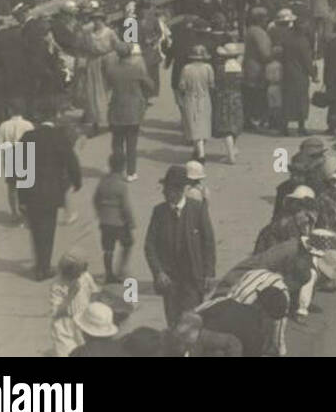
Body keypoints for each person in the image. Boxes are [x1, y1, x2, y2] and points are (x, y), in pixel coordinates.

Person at [144, 164, 216, 326]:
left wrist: (209, 272)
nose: (163, 192)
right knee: (173, 322)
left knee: (191, 322)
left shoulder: (197, 209)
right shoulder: (159, 212)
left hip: (193, 278)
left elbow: (208, 242)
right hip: (170, 281)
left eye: (167, 189)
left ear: (179, 190)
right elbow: (149, 245)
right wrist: (159, 272)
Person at [19, 115, 82, 280]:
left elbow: (19, 166)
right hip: (52, 191)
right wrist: (77, 181)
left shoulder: (28, 137)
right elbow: (71, 161)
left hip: (30, 190)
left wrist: (20, 196)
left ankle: (39, 263)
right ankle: (44, 267)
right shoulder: (59, 137)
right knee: (48, 229)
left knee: (36, 229)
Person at [106, 40, 153, 181]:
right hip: (133, 109)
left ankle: (117, 170)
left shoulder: (111, 70)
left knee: (117, 142)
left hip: (116, 108)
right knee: (132, 143)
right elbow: (150, 85)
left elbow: (108, 85)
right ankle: (131, 172)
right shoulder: (136, 69)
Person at [93, 152, 135, 283]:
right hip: (119, 222)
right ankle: (121, 270)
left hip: (105, 221)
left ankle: (109, 273)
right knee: (128, 244)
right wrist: (131, 221)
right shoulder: (121, 185)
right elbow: (125, 206)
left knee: (108, 249)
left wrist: (100, 212)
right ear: (123, 167)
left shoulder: (103, 181)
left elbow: (96, 199)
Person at [50, 253, 99, 357]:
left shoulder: (85, 276)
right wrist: (70, 294)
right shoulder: (57, 284)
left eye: (79, 273)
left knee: (86, 351)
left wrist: (93, 308)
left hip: (84, 320)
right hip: (65, 324)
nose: (78, 277)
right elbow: (57, 312)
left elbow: (94, 292)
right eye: (73, 275)